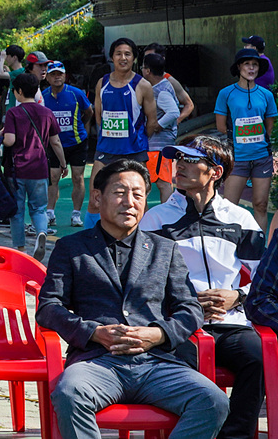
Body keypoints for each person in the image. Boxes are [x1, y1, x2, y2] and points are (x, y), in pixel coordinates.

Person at [36, 159, 229, 439]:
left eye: (138, 194)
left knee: (213, 401)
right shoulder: (71, 248)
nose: (129, 201)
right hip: (98, 361)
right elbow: (48, 307)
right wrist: (93, 332)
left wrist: (158, 334)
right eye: (119, 192)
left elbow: (190, 309)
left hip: (157, 362)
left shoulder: (165, 249)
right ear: (98, 198)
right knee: (69, 393)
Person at [142, 137, 266, 439]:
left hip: (231, 325)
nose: (179, 165)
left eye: (190, 159)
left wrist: (236, 296)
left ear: (215, 172)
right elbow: (142, 281)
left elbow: (266, 280)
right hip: (179, 327)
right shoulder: (155, 220)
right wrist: (186, 301)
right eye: (177, 159)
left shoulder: (241, 219)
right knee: (179, 371)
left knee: (260, 358)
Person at [86, 38, 157, 227]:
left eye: (127, 54)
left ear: (134, 58)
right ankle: (91, 242)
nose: (123, 58)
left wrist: (136, 139)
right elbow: (99, 117)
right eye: (118, 53)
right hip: (106, 151)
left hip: (134, 152)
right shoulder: (102, 83)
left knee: (138, 202)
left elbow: (152, 121)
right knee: (95, 200)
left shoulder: (142, 86)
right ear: (112, 57)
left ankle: (144, 241)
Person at [3, 72, 64, 261]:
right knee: (39, 209)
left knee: (17, 211)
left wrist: (2, 135)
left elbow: (10, 141)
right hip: (39, 169)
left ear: (19, 91)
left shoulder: (13, 112)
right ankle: (41, 233)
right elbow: (55, 142)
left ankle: (20, 249)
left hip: (17, 169)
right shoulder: (47, 113)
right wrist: (62, 163)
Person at [215, 48, 277, 218]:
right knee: (229, 207)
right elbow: (221, 126)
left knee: (261, 205)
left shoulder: (267, 95)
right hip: (236, 158)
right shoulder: (225, 93)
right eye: (247, 64)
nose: (251, 68)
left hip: (262, 158)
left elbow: (268, 127)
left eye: (255, 65)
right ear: (239, 67)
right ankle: (231, 244)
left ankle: (258, 245)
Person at [42, 61, 92, 227]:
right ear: (47, 77)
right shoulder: (42, 96)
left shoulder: (76, 93)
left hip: (77, 143)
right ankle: (50, 213)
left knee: (78, 177)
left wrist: (84, 128)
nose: (57, 77)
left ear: (65, 76)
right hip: (53, 144)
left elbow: (89, 111)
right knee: (53, 177)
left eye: (60, 74)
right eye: (53, 74)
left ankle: (76, 214)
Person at [140, 53, 180, 204]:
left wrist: (158, 125)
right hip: (160, 145)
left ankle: (164, 218)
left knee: (160, 183)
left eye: (143, 68)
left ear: (148, 71)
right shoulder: (162, 86)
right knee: (162, 182)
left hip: (158, 145)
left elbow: (173, 112)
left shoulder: (160, 90)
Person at [142, 43, 197, 126]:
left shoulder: (169, 81)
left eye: (151, 56)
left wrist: (176, 121)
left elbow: (189, 104)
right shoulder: (142, 80)